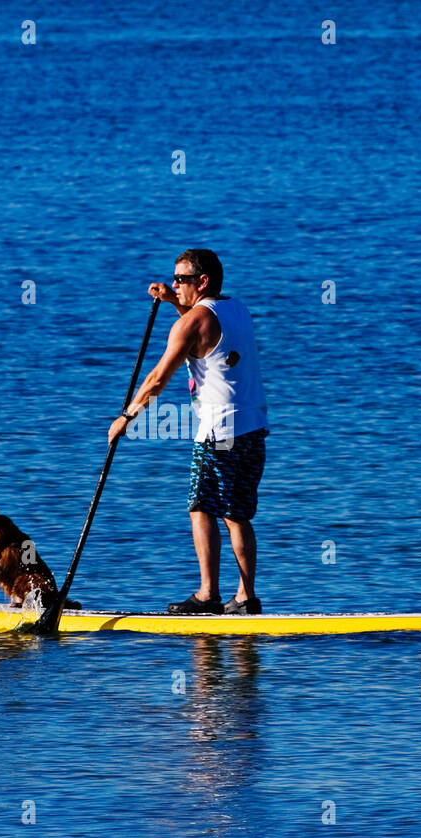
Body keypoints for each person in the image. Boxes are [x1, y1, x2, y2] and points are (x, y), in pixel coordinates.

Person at [107, 249, 269, 614]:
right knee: (237, 514)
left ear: (203, 282)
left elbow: (156, 380)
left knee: (201, 507)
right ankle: (246, 598)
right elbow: (205, 333)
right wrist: (174, 303)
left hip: (218, 432)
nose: (174, 284)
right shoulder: (236, 309)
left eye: (181, 280)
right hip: (253, 428)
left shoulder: (190, 324)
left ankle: (208, 595)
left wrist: (125, 418)